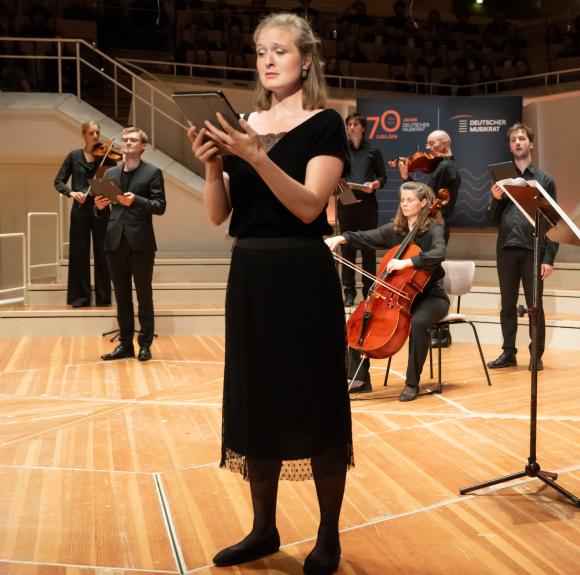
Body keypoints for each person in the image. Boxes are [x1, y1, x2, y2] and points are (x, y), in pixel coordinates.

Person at [187, 12, 352, 574]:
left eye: (279, 50)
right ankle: (263, 529)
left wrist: (255, 155)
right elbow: (218, 216)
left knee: (317, 400)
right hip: (251, 276)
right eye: (260, 51)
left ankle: (328, 536)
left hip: (302, 276)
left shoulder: (326, 123)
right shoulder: (244, 123)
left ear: (306, 59)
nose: (267, 60)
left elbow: (310, 206)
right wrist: (213, 168)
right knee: (255, 400)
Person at [325, 182, 448, 402]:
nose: (405, 204)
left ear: (423, 203)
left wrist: (407, 262)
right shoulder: (397, 229)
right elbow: (367, 236)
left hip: (430, 297)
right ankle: (360, 379)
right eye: (402, 200)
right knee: (360, 318)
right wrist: (343, 238)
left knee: (419, 323)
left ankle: (412, 383)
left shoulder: (434, 228)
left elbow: (439, 252)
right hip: (398, 296)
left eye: (410, 200)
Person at [486, 123, 558, 371]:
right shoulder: (501, 178)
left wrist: (549, 257)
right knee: (507, 304)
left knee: (534, 305)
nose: (517, 142)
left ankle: (535, 355)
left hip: (533, 250)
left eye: (522, 138)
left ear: (531, 144)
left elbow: (554, 222)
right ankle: (508, 352)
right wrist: (495, 200)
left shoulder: (544, 179)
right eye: (513, 139)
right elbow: (492, 218)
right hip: (506, 248)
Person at [95, 127, 165, 362]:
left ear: (143, 146)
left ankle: (144, 344)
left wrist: (137, 200)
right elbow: (101, 209)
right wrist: (100, 205)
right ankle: (125, 345)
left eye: (133, 140)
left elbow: (160, 206)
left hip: (141, 242)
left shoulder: (153, 172)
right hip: (114, 241)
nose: (127, 143)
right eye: (125, 140)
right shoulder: (110, 173)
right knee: (122, 296)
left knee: (144, 295)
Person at [398, 129, 460, 348]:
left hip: (436, 227)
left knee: (431, 275)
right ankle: (437, 329)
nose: (428, 149)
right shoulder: (442, 166)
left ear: (445, 144)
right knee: (427, 274)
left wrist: (407, 178)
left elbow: (428, 198)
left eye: (432, 144)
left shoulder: (445, 167)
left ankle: (440, 331)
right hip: (434, 225)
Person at [54, 120, 111, 308]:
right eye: (92, 133)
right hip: (80, 210)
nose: (96, 136)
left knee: (103, 254)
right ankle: (80, 298)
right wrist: (71, 192)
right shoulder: (73, 156)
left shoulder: (105, 157)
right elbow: (59, 181)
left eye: (98, 133)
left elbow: (113, 181)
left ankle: (103, 298)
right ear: (84, 134)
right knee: (79, 253)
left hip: (101, 208)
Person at [339, 112, 387, 307]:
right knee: (346, 248)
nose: (351, 127)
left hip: (367, 204)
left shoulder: (373, 150)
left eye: (355, 124)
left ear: (363, 129)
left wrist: (375, 184)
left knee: (368, 248)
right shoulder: (341, 149)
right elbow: (335, 174)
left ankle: (369, 290)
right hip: (346, 202)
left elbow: (383, 177)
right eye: (349, 124)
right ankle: (348, 292)